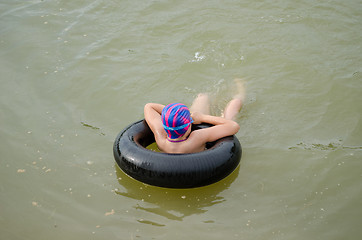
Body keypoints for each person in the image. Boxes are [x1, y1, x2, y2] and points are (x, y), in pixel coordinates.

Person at [144, 79, 246, 153]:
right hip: (210, 128)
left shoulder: (161, 137)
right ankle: (240, 91)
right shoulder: (197, 138)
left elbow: (149, 106)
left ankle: (212, 101)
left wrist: (172, 115)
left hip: (177, 126)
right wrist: (202, 118)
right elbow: (233, 126)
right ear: (188, 125)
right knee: (234, 104)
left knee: (202, 97)